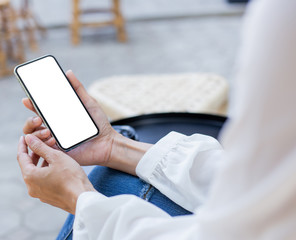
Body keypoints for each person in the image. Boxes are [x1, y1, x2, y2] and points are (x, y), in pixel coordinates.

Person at [16, 0, 296, 239]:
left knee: (103, 187)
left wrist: (79, 200)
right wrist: (114, 146)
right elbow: (262, 184)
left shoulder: (282, 16)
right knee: (110, 171)